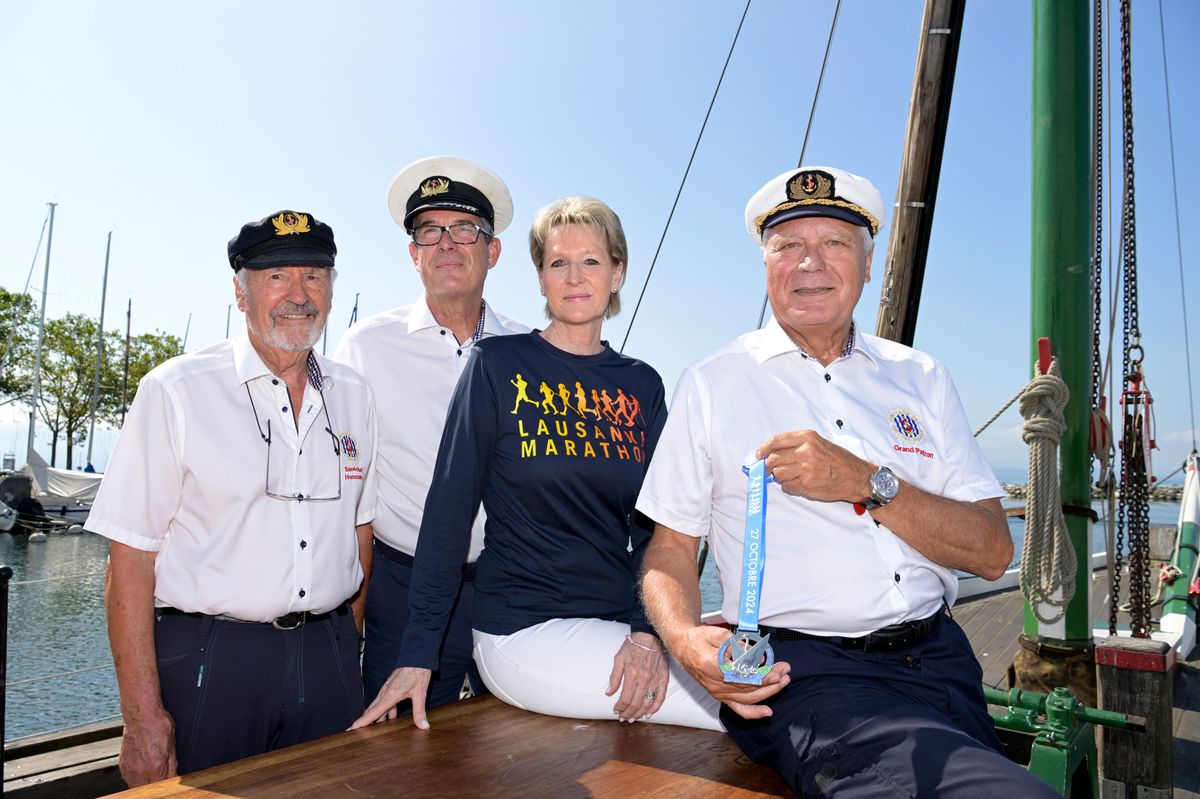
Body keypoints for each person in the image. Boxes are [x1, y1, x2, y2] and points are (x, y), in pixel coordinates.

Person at [637, 167, 1060, 797]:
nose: (810, 263)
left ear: (866, 266)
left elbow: (994, 551)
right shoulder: (712, 383)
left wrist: (868, 482)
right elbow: (671, 548)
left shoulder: (922, 377)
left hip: (943, 661)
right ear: (766, 267)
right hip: (808, 675)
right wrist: (682, 638)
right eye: (787, 246)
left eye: (834, 244)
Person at [354, 196, 721, 731]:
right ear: (541, 279)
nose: (575, 276)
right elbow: (448, 515)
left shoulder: (642, 385)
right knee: (724, 704)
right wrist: (418, 653)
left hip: (616, 622)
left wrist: (650, 631)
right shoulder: (497, 365)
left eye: (591, 261)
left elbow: (660, 532)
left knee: (761, 679)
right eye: (557, 263)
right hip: (522, 626)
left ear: (617, 273)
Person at [90, 210, 377, 786]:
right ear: (240, 292)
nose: (298, 295)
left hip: (329, 654)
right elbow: (130, 560)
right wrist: (141, 717)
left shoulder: (356, 394)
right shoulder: (175, 390)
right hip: (211, 658)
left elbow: (360, 531)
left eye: (314, 277)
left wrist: (346, 643)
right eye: (276, 277)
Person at [335, 157, 528, 712]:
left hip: (510, 586)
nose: (447, 244)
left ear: (491, 251)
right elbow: (348, 486)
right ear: (413, 253)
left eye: (464, 229)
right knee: (398, 749)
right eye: (429, 232)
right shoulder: (367, 347)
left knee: (520, 744)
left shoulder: (528, 349)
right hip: (404, 587)